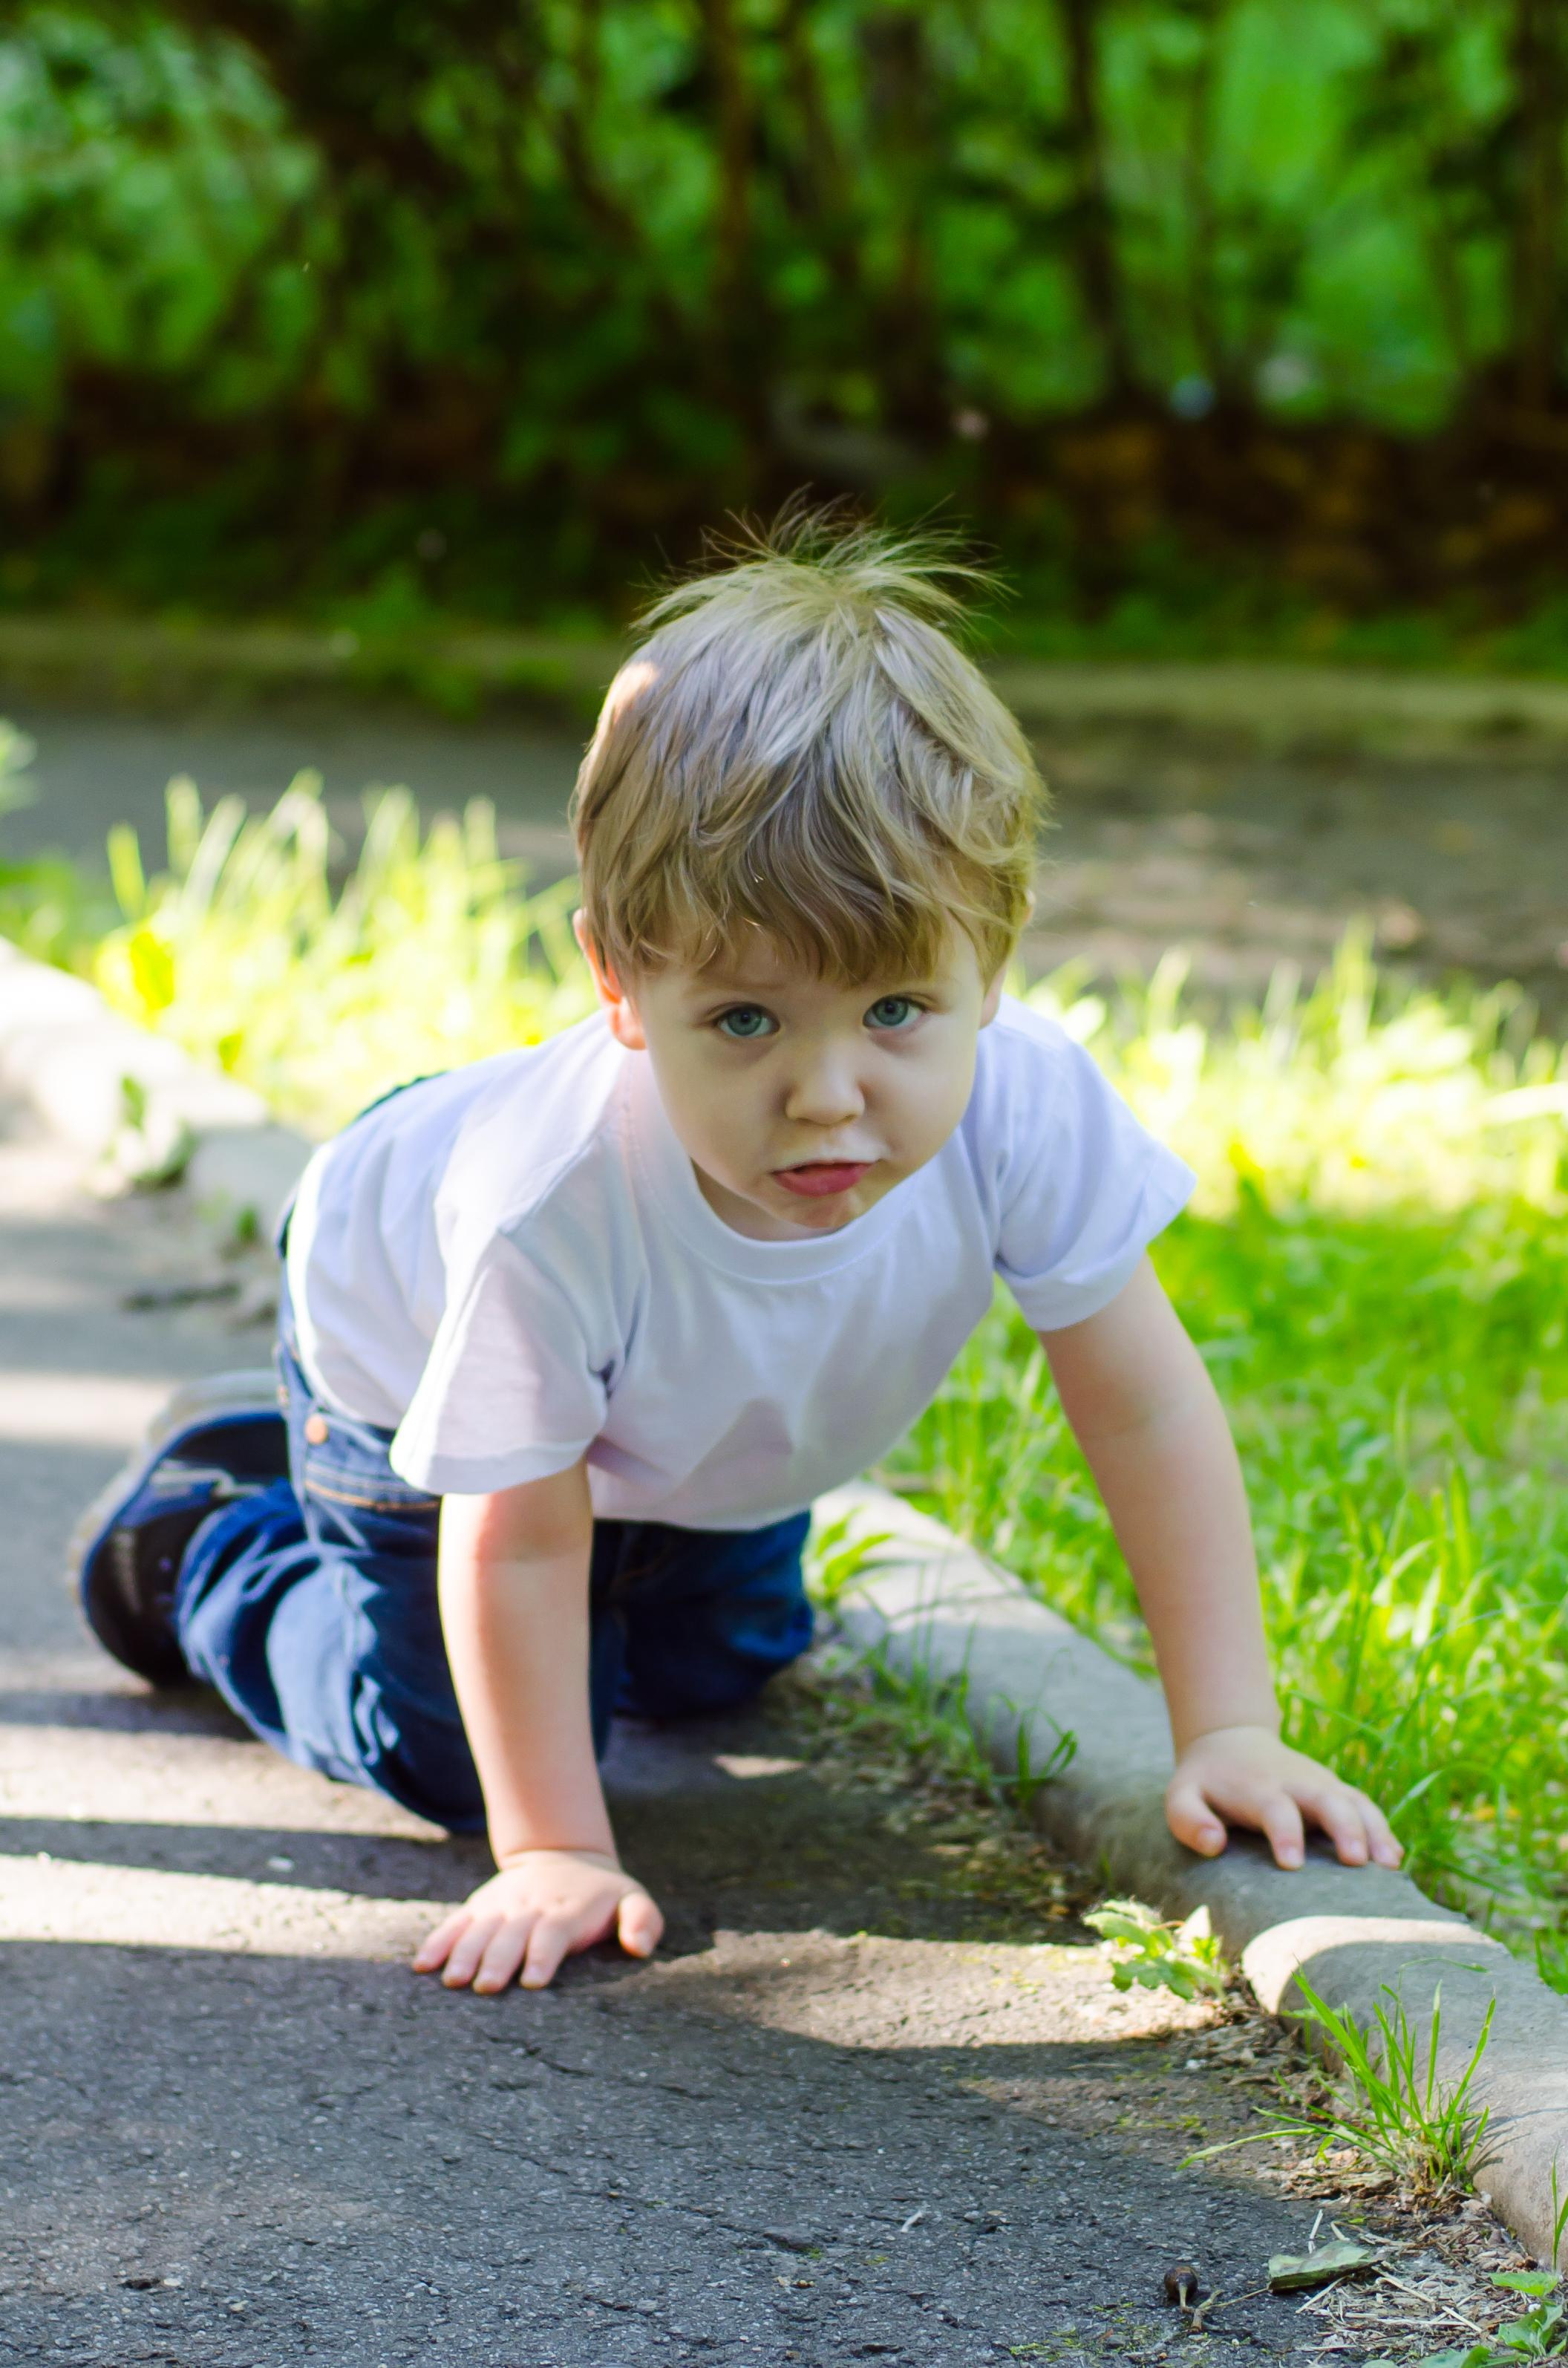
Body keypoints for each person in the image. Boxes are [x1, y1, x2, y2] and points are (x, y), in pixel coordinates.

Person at [71, 518, 1401, 1997]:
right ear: (621, 984)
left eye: (896, 1008)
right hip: (405, 1372)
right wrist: (554, 1845)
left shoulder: (1028, 1098)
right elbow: (516, 1531)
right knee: (464, 1748)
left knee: (714, 1666)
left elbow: (1145, 1406)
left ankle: (623, 1571)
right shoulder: (548, 1203)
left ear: (994, 965)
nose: (829, 1093)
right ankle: (214, 1537)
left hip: (669, 1417)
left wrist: (1228, 1725)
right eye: (749, 1020)